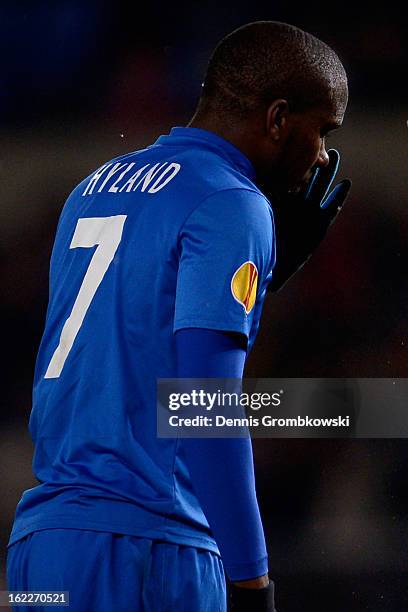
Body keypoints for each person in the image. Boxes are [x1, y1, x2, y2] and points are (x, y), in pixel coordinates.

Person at [7, 20, 350, 612]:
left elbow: (133, 345)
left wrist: (271, 271)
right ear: (276, 118)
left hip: (45, 546)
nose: (322, 153)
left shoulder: (94, 187)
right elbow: (204, 402)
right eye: (320, 130)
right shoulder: (231, 201)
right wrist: (252, 580)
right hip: (150, 549)